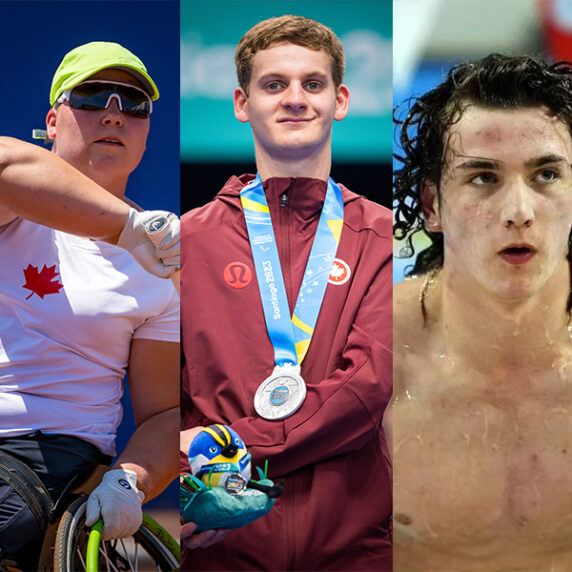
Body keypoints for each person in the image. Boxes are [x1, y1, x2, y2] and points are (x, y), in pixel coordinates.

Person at [180, 15, 392, 571]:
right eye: (274, 85)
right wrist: (184, 485)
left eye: (312, 84)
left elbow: (367, 390)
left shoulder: (383, 237)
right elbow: (162, 399)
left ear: (340, 101)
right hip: (221, 549)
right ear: (241, 103)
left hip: (356, 550)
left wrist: (224, 442)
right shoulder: (186, 240)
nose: (295, 99)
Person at [0, 41, 179, 571]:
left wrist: (131, 481)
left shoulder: (164, 264)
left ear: (147, 133)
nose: (113, 113)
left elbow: (165, 413)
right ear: (53, 121)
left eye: (133, 103)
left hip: (52, 471)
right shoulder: (13, 209)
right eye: (93, 96)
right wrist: (125, 228)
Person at [393, 53, 572, 571]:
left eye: (546, 174)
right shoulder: (367, 349)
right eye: (483, 177)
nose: (519, 211)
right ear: (432, 205)